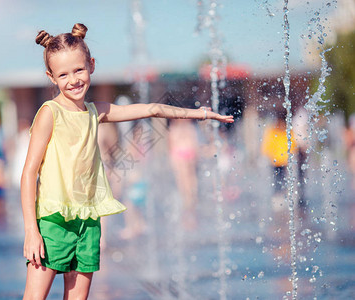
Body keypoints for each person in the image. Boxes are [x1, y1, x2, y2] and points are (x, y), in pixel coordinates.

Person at [21, 23, 234, 300]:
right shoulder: (50, 113)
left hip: (88, 220)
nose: (73, 79)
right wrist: (31, 231)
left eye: (79, 70)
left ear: (92, 65)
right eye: (63, 74)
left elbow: (152, 109)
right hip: (52, 220)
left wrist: (201, 114)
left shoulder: (96, 112)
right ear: (51, 77)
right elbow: (28, 173)